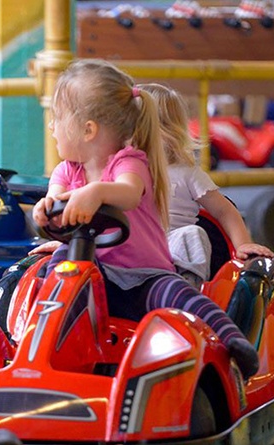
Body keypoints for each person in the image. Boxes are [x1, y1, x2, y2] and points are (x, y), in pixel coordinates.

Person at [31, 58, 260, 379]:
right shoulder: (67, 170)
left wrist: (96, 192)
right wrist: (45, 210)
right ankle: (37, 346)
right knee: (55, 267)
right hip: (96, 275)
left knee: (177, 293)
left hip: (143, 277)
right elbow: (55, 200)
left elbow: (128, 192)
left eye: (57, 118)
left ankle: (232, 338)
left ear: (88, 130)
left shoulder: (130, 163)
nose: (52, 127)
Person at [139, 83, 274, 285]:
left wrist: (243, 245)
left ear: (164, 131)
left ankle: (187, 287)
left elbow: (224, 210)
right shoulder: (122, 172)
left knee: (192, 235)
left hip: (173, 246)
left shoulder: (186, 174)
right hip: (135, 249)